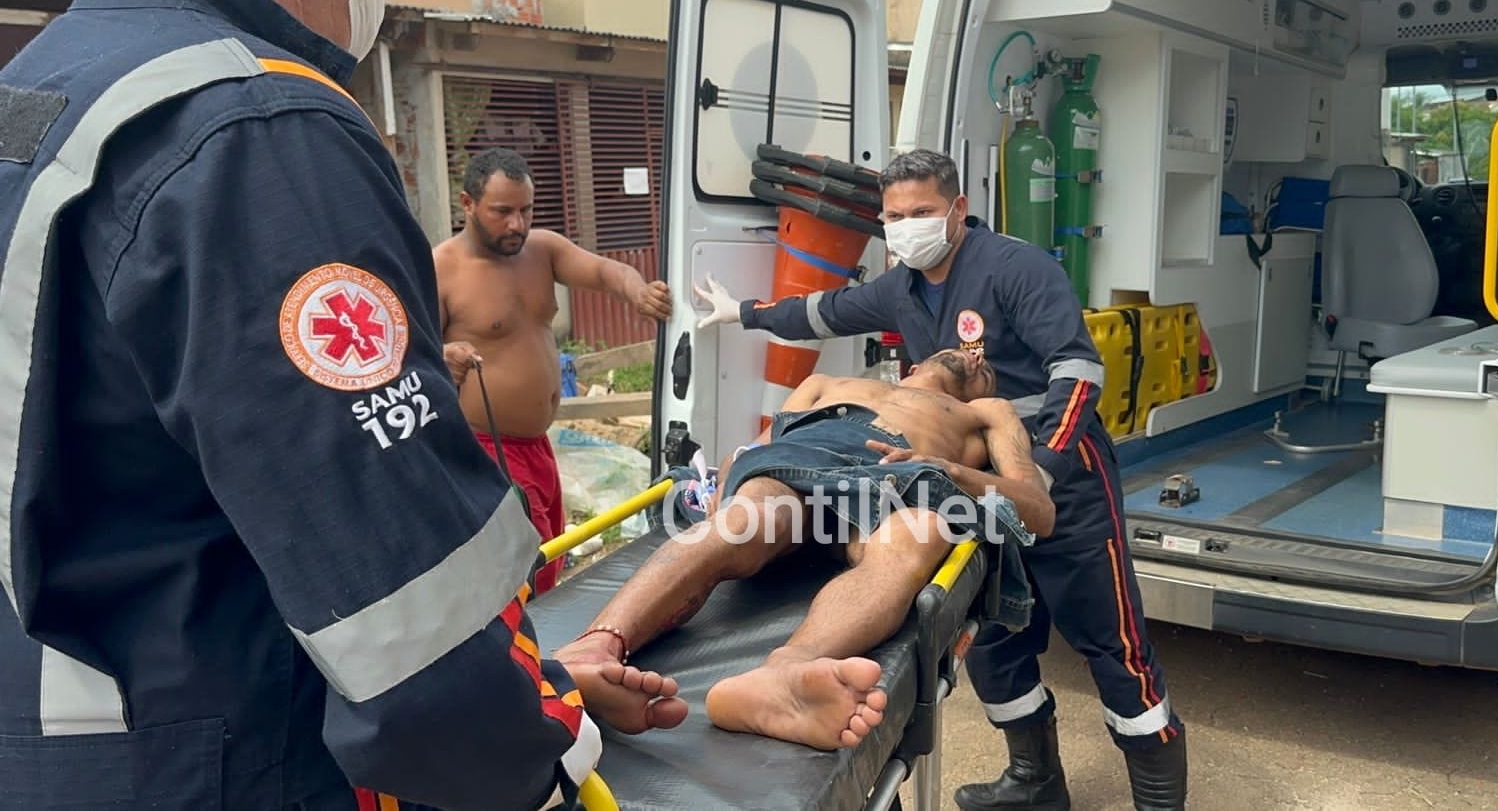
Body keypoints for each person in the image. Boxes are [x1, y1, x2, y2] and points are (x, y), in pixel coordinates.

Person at [0, 0, 682, 808]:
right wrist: (542, 748)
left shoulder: (40, 94)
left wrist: (541, 676)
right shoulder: (254, 126)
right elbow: (413, 640)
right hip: (223, 760)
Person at [696, 149, 1188, 809]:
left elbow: (1079, 374)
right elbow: (826, 310)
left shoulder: (1016, 269)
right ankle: (1036, 783)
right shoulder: (904, 285)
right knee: (992, 637)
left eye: (922, 212)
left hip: (1061, 476)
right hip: (970, 485)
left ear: (957, 209)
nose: (905, 227)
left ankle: (1160, 803)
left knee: (1112, 643)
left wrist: (1039, 472)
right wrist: (745, 313)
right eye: (894, 217)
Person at [553, 349, 1052, 750]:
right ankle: (596, 647)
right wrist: (725, 486)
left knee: (917, 537)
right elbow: (753, 451)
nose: (975, 358)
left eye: (986, 370)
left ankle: (784, 674)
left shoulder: (985, 412)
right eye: (963, 351)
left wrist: (955, 473)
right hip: (800, 460)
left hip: (906, 479)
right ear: (914, 364)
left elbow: (1038, 511)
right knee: (742, 522)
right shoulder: (827, 383)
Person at [433, 147, 672, 594]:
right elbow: (411, 354)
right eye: (502, 212)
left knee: (550, 559)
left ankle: (541, 654)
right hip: (488, 448)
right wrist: (446, 354)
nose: (517, 225)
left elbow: (604, 271)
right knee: (527, 568)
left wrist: (638, 291)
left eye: (526, 210)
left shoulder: (541, 251)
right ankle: (530, 656)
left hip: (539, 447)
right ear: (467, 204)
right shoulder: (442, 269)